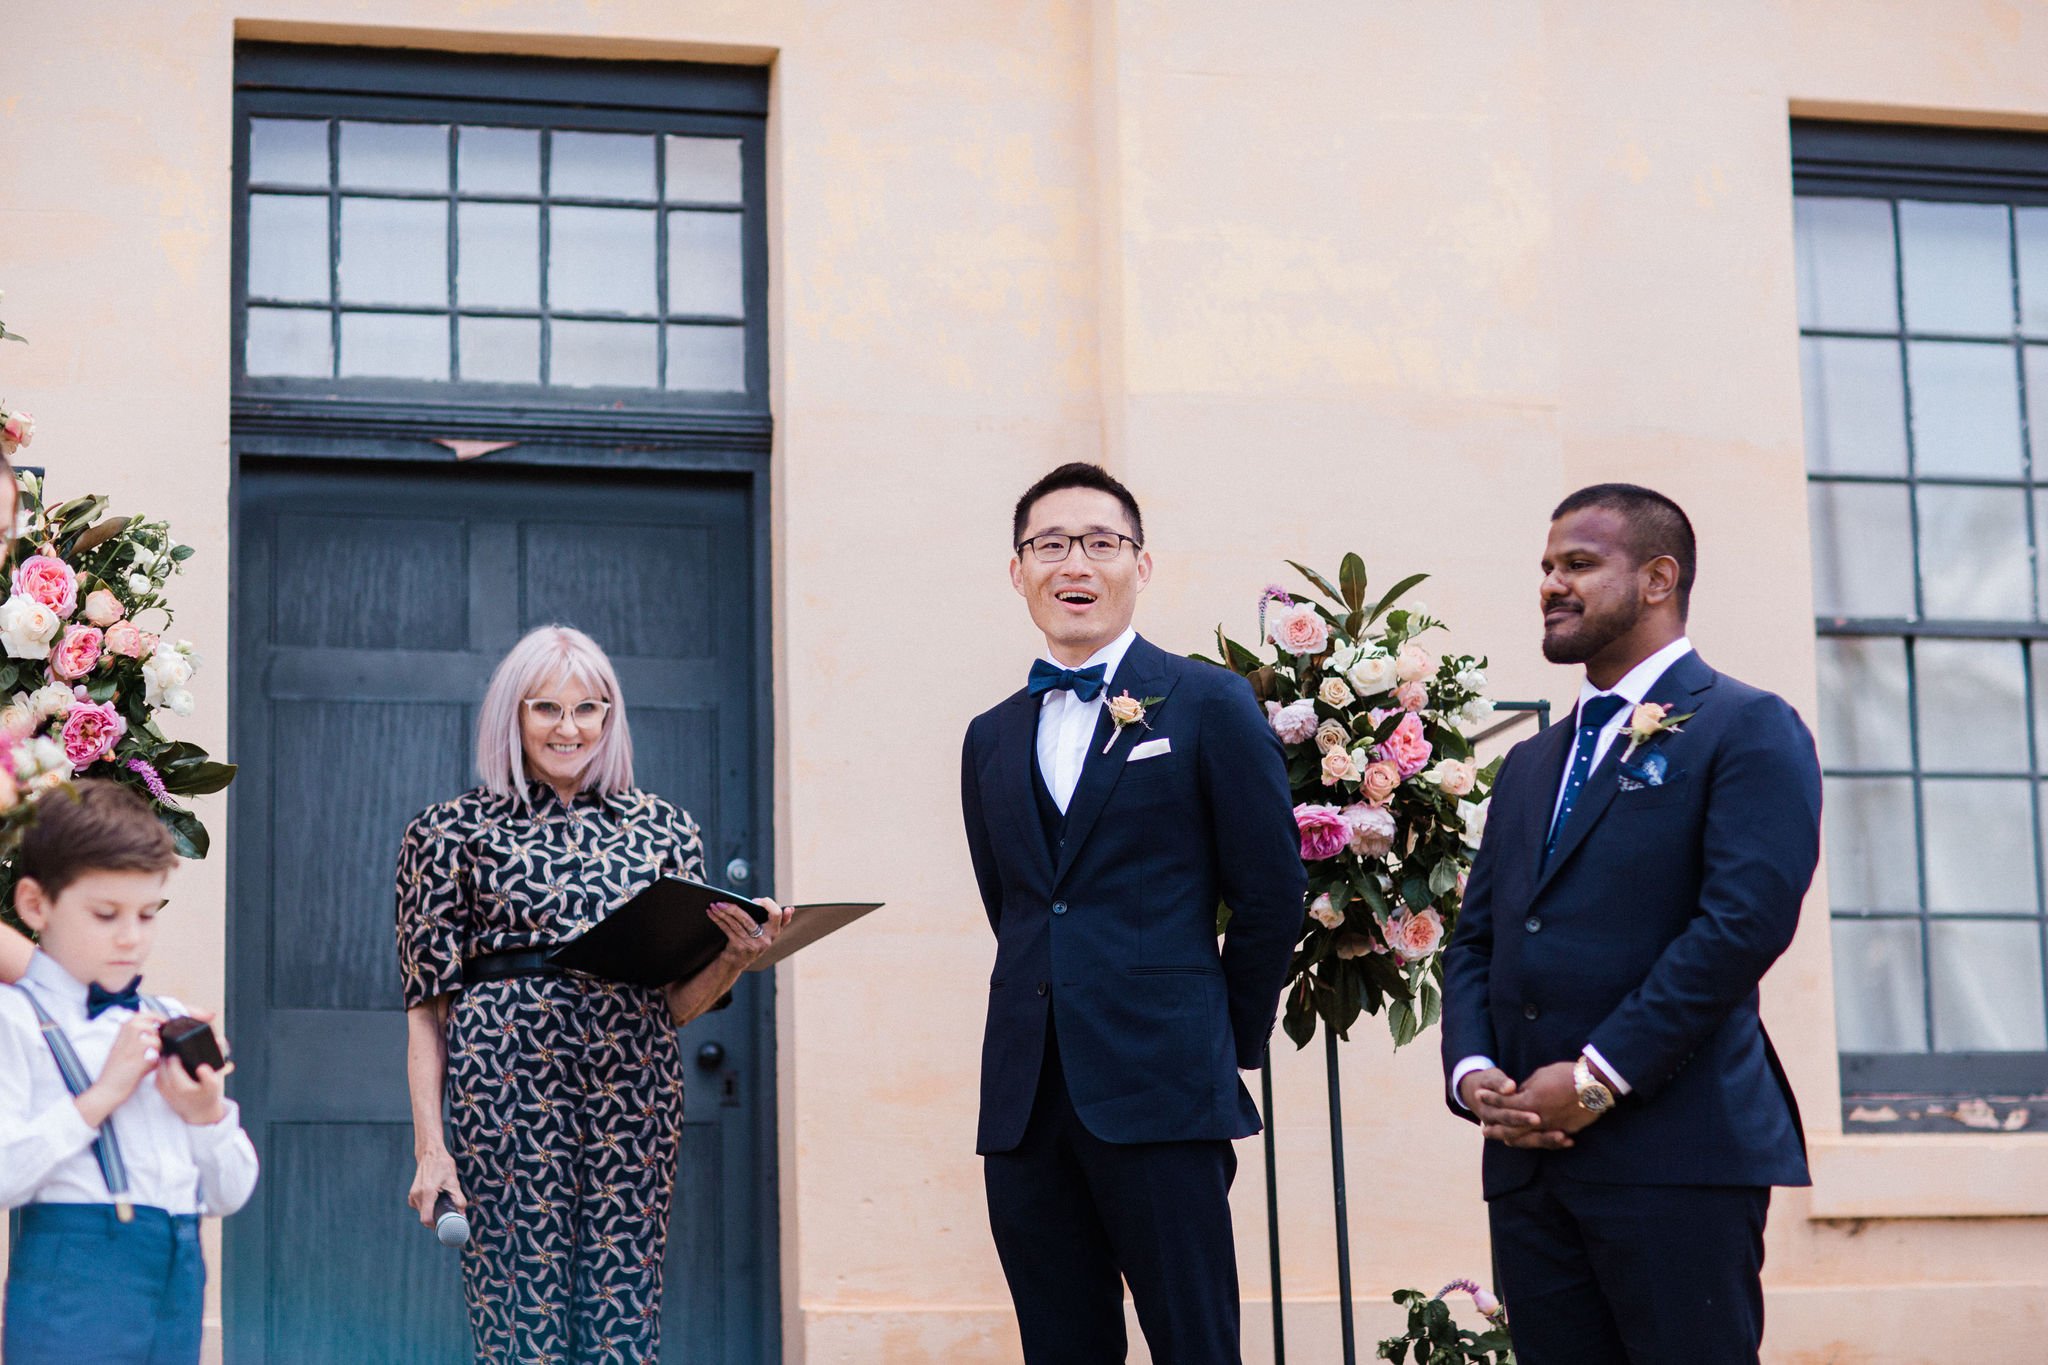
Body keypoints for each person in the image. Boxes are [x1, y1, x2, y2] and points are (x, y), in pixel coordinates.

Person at [1440, 484, 1819, 1365]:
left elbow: (1740, 927)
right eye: (1545, 567)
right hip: (1531, 1166)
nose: (1550, 584)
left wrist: (1598, 1076)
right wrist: (1474, 1073)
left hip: (1678, 1156)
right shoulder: (1533, 761)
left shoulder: (1747, 727)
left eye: (1578, 564)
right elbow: (1479, 939)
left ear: (1658, 577)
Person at [960, 462, 1306, 1364]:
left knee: (1196, 1344)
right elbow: (1017, 905)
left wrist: (1216, 1040)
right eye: (1050, 544)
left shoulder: (1207, 702)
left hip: (1167, 1089)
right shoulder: (990, 737)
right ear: (1018, 570)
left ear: (1140, 567)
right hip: (1028, 1103)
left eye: (1101, 542)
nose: (1075, 562)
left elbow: (1271, 895)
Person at [397, 624, 786, 1365]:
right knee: (521, 1311)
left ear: (611, 717)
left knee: (623, 1310)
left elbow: (675, 1004)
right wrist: (431, 1147)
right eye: (546, 708)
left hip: (633, 1096)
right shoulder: (449, 831)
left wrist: (736, 958)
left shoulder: (664, 828)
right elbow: (426, 1008)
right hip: (506, 1097)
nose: (569, 728)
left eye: (589, 708)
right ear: (512, 715)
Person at [0, 778, 259, 1365]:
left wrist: (207, 1114)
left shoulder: (168, 1019)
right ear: (36, 905)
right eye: (106, 913)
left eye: (146, 914)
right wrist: (102, 1095)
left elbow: (231, 1192)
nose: (130, 937)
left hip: (178, 1276)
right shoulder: (15, 1019)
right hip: (74, 1285)